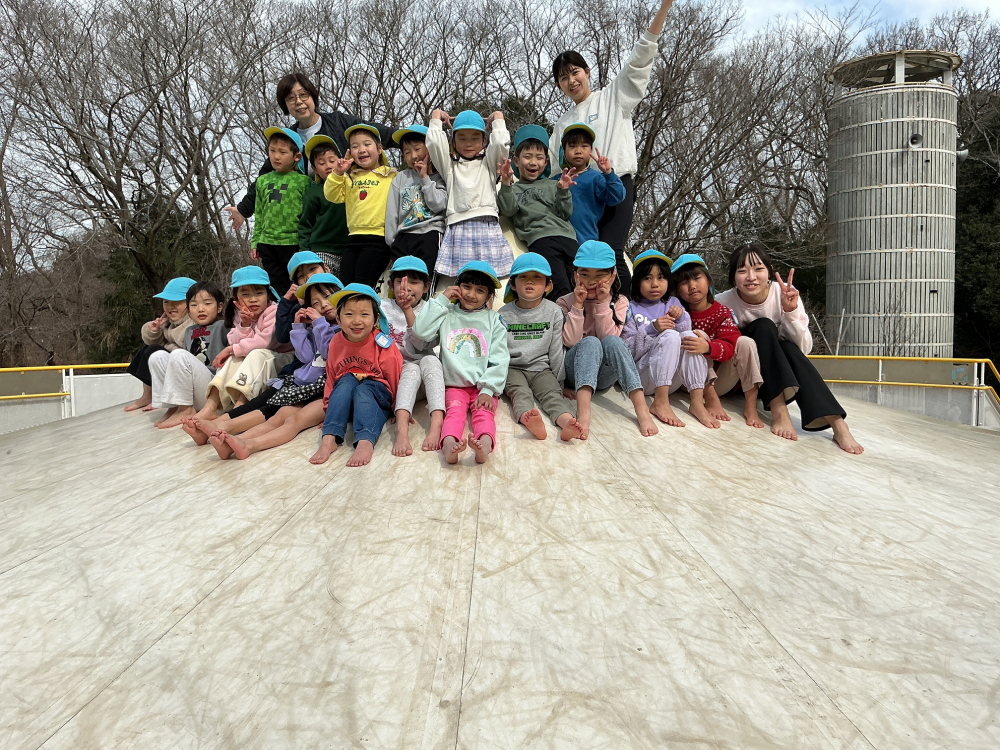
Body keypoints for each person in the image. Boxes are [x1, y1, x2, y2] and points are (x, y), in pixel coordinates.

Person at [549, 0, 674, 288]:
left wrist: (663, 9)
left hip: (614, 183)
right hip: (580, 195)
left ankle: (627, 309)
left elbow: (640, 60)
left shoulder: (612, 97)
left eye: (575, 72)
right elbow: (552, 167)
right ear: (559, 85)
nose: (571, 80)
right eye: (563, 77)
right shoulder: (561, 123)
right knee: (584, 259)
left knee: (611, 251)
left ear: (587, 71)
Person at [716, 242, 864, 454]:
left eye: (758, 269)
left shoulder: (784, 293)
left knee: (788, 347)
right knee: (763, 326)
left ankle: (838, 423)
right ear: (733, 277)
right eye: (742, 271)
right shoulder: (723, 302)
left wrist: (790, 312)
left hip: (775, 373)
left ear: (768, 271)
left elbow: (803, 349)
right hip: (743, 379)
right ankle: (779, 410)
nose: (751, 277)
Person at [182, 272, 342, 445]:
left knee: (278, 413)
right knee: (265, 402)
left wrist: (318, 324)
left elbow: (327, 352)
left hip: (313, 382)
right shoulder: (239, 314)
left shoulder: (338, 327)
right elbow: (306, 357)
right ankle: (218, 421)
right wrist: (298, 327)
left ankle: (230, 432)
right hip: (300, 379)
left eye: (327, 297)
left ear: (268, 293)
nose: (324, 305)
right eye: (316, 303)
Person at [225, 73, 394, 231]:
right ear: (285, 105)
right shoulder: (287, 140)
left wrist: (414, 141)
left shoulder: (339, 122)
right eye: (291, 98)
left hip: (351, 214)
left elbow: (382, 134)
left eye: (303, 95)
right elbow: (265, 178)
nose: (298, 101)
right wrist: (243, 210)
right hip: (312, 221)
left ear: (313, 96)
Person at [411, 261, 510, 465]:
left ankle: (483, 446)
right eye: (467, 287)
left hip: (482, 387)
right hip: (454, 386)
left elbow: (500, 358)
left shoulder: (494, 320)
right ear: (457, 286)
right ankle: (448, 446)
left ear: (488, 296)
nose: (472, 295)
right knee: (454, 415)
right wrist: (442, 300)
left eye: (480, 290)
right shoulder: (446, 314)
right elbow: (420, 332)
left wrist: (488, 390)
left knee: (484, 415)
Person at [557, 240, 657, 438]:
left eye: (600, 274)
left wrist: (603, 304)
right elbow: (569, 341)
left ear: (612, 275)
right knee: (590, 342)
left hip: (603, 375)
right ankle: (583, 413)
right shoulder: (564, 301)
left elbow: (610, 340)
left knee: (612, 341)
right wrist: (577, 306)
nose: (591, 281)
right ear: (575, 274)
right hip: (574, 371)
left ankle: (641, 409)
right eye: (584, 274)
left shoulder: (619, 302)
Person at [310, 284, 403, 467]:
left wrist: (398, 409)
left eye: (364, 314)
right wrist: (330, 411)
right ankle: (329, 438)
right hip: (349, 393)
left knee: (364, 389)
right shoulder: (336, 342)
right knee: (344, 381)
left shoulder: (381, 343)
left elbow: (395, 375)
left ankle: (365, 440)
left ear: (376, 319)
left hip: (377, 393)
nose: (357, 321)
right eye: (349, 314)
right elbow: (331, 376)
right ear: (338, 318)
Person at [621, 249, 714, 428]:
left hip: (672, 379)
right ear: (637, 281)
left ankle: (696, 401)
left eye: (661, 277)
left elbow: (684, 342)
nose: (655, 284)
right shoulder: (632, 308)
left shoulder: (673, 303)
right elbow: (627, 350)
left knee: (689, 336)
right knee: (670, 335)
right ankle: (660, 402)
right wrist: (652, 328)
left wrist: (680, 319)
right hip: (645, 378)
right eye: (647, 278)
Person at [671, 254, 763, 428]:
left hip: (720, 379)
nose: (692, 286)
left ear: (708, 281)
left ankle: (751, 407)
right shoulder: (678, 312)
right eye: (684, 282)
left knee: (745, 342)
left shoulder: (722, 312)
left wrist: (708, 347)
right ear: (677, 289)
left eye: (697, 278)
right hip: (689, 382)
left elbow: (731, 346)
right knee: (695, 334)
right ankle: (710, 398)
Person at [499, 253, 583, 441]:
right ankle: (529, 417)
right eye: (523, 277)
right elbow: (498, 349)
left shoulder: (553, 311)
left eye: (537, 278)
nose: (530, 282)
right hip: (513, 368)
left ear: (548, 285)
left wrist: (560, 383)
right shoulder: (503, 314)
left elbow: (556, 349)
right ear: (512, 284)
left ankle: (566, 421)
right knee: (520, 393)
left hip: (542, 368)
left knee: (552, 394)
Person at [425, 109, 513, 279]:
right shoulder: (449, 165)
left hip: (487, 224)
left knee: (488, 280)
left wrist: (498, 119)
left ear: (484, 140)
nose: (468, 143)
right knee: (463, 280)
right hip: (459, 226)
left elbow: (501, 145)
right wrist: (436, 119)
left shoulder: (489, 163)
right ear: (453, 140)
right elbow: (435, 145)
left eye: (475, 138)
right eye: (462, 138)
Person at [195, 267, 292, 419]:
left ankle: (240, 408)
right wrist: (245, 325)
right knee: (234, 357)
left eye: (259, 293)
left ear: (268, 293)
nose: (253, 299)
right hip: (259, 362)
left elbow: (265, 342)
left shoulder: (274, 310)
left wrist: (231, 349)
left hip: (283, 360)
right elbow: (233, 339)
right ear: (236, 296)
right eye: (245, 294)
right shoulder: (240, 313)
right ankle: (210, 406)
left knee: (254, 353)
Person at [497, 124, 578, 300]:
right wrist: (505, 183)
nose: (533, 162)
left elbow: (565, 213)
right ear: (516, 161)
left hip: (568, 238)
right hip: (541, 239)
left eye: (539, 157)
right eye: (527, 157)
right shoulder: (515, 188)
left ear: (546, 162)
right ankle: (562, 322)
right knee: (559, 285)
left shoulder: (553, 185)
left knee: (579, 282)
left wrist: (564, 191)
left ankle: (586, 322)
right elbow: (509, 210)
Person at [381, 256, 447, 457]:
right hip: (395, 378)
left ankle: (437, 423)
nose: (406, 286)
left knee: (429, 359)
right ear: (391, 284)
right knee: (409, 368)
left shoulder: (431, 309)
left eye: (414, 281)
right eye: (400, 280)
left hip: (425, 382)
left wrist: (407, 309)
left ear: (426, 286)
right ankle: (401, 428)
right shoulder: (381, 306)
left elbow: (420, 344)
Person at [146, 281, 228, 429]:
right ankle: (173, 407)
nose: (200, 309)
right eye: (194, 305)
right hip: (193, 391)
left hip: (213, 390)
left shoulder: (223, 326)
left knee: (178, 354)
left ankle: (185, 409)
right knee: (157, 356)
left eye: (207, 303)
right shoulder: (189, 331)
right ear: (188, 310)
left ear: (220, 307)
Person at [325, 124, 397, 288]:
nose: (361, 150)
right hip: (353, 239)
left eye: (367, 144)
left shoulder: (391, 175)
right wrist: (337, 174)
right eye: (355, 146)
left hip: (378, 239)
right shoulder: (349, 176)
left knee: (361, 287)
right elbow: (332, 195)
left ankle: (365, 313)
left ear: (379, 149)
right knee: (345, 286)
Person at [251, 127, 310, 295]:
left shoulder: (304, 182)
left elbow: (308, 215)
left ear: (296, 156)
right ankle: (279, 317)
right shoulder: (262, 181)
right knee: (276, 288)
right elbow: (259, 213)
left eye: (283, 152)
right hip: (268, 243)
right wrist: (256, 241)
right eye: (272, 151)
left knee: (296, 285)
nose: (276, 156)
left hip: (293, 243)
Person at [124, 277, 195, 415]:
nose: (170, 306)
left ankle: (160, 398)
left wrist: (166, 348)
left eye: (177, 302)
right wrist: (154, 330)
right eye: (166, 302)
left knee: (154, 350)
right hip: (171, 363)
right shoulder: (169, 322)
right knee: (149, 349)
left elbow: (185, 351)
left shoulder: (193, 323)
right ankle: (148, 394)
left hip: (185, 372)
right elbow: (153, 342)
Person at [384, 125, 448, 272]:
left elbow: (438, 204)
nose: (413, 156)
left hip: (430, 233)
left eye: (417, 149)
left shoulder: (441, 177)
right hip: (403, 236)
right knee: (400, 279)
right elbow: (392, 212)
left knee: (424, 276)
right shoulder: (401, 177)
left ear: (431, 149)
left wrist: (425, 178)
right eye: (407, 152)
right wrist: (391, 243)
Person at [557, 123, 625, 245]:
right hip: (557, 240)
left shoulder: (596, 178)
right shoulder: (555, 180)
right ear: (564, 151)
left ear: (591, 150)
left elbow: (617, 196)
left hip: (585, 242)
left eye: (584, 146)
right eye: (572, 146)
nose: (578, 151)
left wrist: (608, 173)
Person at [298, 135, 349, 275]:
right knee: (325, 289)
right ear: (314, 169)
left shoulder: (351, 185)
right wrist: (304, 253)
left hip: (350, 249)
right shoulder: (314, 193)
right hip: (321, 249)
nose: (328, 166)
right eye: (321, 163)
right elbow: (305, 224)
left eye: (332, 160)